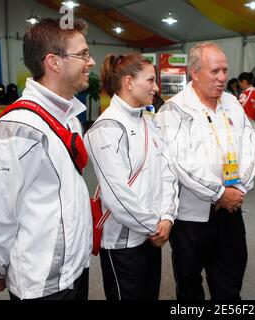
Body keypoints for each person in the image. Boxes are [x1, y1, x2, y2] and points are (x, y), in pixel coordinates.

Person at [0, 18, 94, 300]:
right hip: (41, 284)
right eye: (83, 54)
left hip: (75, 270)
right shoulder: (16, 128)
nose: (91, 62)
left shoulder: (70, 117)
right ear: (53, 62)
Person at [155, 42, 255, 300]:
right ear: (195, 72)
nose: (222, 78)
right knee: (189, 286)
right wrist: (219, 193)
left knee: (230, 283)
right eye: (215, 71)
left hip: (231, 211)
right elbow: (180, 162)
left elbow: (251, 146)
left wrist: (237, 188)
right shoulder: (174, 110)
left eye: (225, 70)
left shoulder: (233, 104)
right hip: (191, 218)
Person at [84, 53, 179, 300]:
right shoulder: (105, 128)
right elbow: (118, 195)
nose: (156, 88)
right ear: (128, 82)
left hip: (152, 236)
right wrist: (154, 227)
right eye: (150, 80)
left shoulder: (148, 120)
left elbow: (167, 172)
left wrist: (167, 216)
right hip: (123, 246)